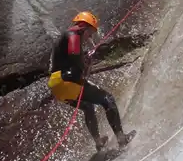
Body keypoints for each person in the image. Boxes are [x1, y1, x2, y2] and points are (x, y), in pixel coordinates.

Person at [48, 11, 135, 152]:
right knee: (108, 99)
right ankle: (121, 138)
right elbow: (75, 55)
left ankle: (99, 142)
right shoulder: (74, 34)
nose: (90, 36)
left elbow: (71, 59)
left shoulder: (63, 39)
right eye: (90, 33)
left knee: (87, 107)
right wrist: (84, 61)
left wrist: (85, 60)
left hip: (56, 86)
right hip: (67, 81)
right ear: (84, 27)